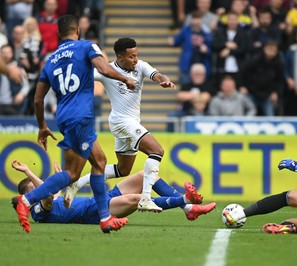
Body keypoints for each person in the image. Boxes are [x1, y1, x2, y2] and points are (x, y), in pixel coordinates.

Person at [11, 14, 136, 234]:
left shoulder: (50, 60)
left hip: (64, 117)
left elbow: (38, 99)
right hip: (81, 115)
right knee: (72, 173)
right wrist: (126, 79)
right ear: (77, 30)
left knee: (99, 162)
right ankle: (28, 199)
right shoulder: (87, 46)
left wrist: (42, 126)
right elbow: (105, 69)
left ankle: (105, 219)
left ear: (59, 34)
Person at [65, 37, 176, 213]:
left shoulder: (140, 66)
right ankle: (145, 198)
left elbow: (157, 74)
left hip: (130, 122)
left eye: (136, 55)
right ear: (120, 57)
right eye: (132, 56)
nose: (136, 59)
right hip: (121, 121)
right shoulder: (106, 70)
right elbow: (81, 77)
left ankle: (78, 183)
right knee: (157, 151)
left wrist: (164, 80)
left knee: (123, 169)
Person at [12, 160, 216, 224]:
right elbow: (46, 195)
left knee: (144, 175)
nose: (39, 189)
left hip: (100, 199)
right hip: (95, 213)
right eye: (34, 191)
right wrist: (56, 183)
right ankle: (185, 201)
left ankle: (188, 208)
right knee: (138, 199)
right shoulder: (39, 212)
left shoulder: (49, 199)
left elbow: (47, 192)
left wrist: (29, 172)